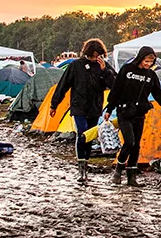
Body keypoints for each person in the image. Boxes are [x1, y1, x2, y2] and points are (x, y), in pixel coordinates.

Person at [49, 38, 116, 183]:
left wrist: (105, 71)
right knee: (82, 132)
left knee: (90, 136)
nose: (95, 58)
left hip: (95, 106)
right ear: (87, 53)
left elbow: (114, 85)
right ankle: (81, 170)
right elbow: (63, 85)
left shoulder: (104, 66)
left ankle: (86, 163)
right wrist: (54, 104)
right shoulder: (76, 66)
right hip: (78, 105)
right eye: (93, 55)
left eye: (98, 55)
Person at [109, 45, 161, 187]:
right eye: (146, 61)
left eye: (151, 62)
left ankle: (132, 177)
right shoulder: (127, 70)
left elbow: (158, 94)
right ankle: (118, 170)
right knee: (129, 142)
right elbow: (116, 89)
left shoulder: (151, 76)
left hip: (140, 113)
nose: (148, 64)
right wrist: (109, 108)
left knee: (136, 145)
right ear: (140, 58)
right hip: (124, 111)